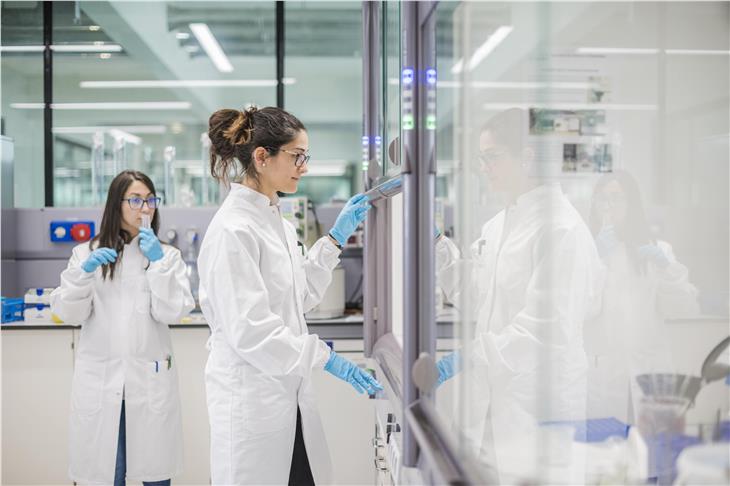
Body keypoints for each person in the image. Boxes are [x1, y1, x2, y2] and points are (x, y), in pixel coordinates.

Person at [198, 106, 382, 485]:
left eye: (306, 157)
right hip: (252, 403)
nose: (305, 166)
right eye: (297, 156)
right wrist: (326, 357)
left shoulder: (276, 223)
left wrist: (334, 238)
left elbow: (299, 295)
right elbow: (251, 331)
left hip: (287, 400)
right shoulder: (233, 230)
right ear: (262, 157)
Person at [434, 108, 605, 482]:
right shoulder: (500, 224)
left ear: (526, 157)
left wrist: (470, 356)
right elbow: (475, 294)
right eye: (481, 158)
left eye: (491, 157)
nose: (483, 167)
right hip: (494, 400)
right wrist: (435, 242)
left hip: (537, 407)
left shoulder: (561, 230)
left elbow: (544, 331)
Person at [50, 170, 195, 486]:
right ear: (117, 204)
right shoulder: (87, 253)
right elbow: (68, 312)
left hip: (149, 382)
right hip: (102, 383)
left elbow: (174, 310)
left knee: (155, 476)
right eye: (136, 200)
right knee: (107, 475)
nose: (145, 207)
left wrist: (157, 265)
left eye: (150, 200)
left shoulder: (167, 256)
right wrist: (83, 274)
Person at [585, 170, 699, 423]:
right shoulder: (586, 252)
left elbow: (685, 308)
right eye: (602, 198)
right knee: (608, 452)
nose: (609, 205)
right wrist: (595, 259)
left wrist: (666, 268)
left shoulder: (658, 251)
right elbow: (581, 309)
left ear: (631, 203)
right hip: (603, 372)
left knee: (652, 449)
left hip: (649, 370)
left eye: (616, 198)